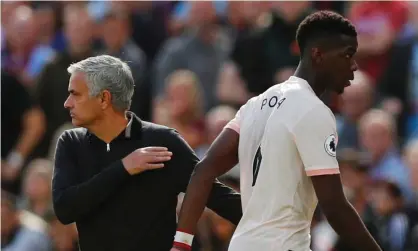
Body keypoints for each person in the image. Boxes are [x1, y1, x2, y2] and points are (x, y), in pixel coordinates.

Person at [171, 11, 382, 251]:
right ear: (318, 54)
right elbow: (334, 207)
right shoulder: (313, 110)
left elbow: (203, 171)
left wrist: (180, 245)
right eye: (346, 55)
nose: (354, 65)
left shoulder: (253, 106)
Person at [52, 55, 242, 251]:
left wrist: (271, 219)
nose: (67, 103)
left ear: (103, 98)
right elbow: (65, 209)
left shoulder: (163, 141)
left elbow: (217, 196)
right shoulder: (71, 143)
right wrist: (123, 168)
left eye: (75, 94)